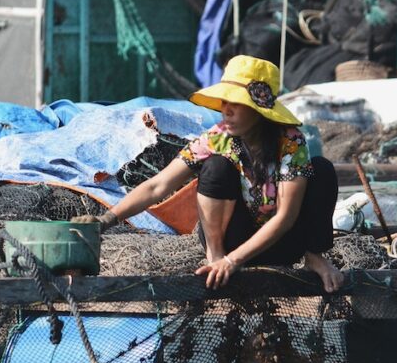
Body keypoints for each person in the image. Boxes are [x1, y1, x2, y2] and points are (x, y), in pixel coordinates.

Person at [74, 55, 344, 292]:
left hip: (281, 243)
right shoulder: (219, 138)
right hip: (232, 238)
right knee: (217, 167)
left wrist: (234, 262)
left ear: (259, 109)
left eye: (236, 103)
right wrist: (106, 220)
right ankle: (213, 253)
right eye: (225, 101)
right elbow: (158, 186)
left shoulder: (290, 141)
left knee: (322, 170)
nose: (226, 109)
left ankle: (314, 256)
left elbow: (286, 217)